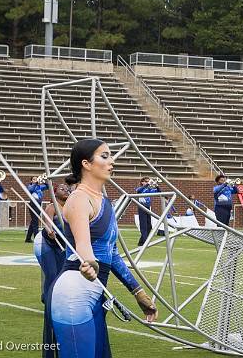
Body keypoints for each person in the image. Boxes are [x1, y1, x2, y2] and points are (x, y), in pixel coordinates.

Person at [50, 139, 157, 357]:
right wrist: (89, 262)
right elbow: (83, 245)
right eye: (105, 156)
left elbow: (112, 253)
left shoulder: (104, 201)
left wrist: (138, 292)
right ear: (86, 164)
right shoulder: (79, 199)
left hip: (96, 290)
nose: (112, 161)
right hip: (75, 291)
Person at [34, 182, 71, 357]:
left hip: (61, 246)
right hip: (46, 243)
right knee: (51, 275)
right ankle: (49, 304)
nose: (67, 190)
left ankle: (48, 297)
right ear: (55, 193)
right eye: (63, 188)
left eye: (68, 188)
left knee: (61, 275)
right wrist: (50, 231)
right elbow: (46, 222)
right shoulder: (52, 206)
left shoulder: (70, 207)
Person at [135, 177, 160, 246]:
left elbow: (159, 192)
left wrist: (156, 185)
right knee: (143, 226)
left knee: (149, 226)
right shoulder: (139, 189)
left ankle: (141, 242)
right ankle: (145, 241)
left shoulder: (149, 189)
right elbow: (138, 191)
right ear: (142, 182)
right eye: (146, 181)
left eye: (148, 181)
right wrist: (148, 184)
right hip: (141, 208)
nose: (147, 182)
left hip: (148, 208)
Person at [26, 176, 50, 243]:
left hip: (38, 204)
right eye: (34, 179)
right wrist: (36, 183)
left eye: (36, 179)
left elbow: (48, 186)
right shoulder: (30, 186)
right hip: (33, 204)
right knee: (35, 221)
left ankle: (28, 238)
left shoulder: (40, 187)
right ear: (31, 181)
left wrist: (44, 181)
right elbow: (31, 189)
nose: (35, 180)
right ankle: (36, 238)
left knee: (33, 221)